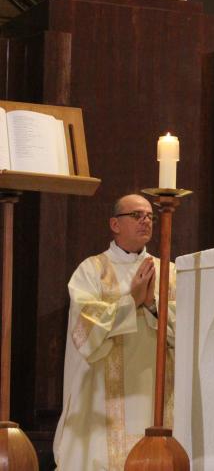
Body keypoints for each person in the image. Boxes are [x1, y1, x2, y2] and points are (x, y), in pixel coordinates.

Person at [53, 194, 176, 471]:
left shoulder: (169, 271)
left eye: (149, 216)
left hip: (155, 392)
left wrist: (153, 305)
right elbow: (84, 331)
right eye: (136, 215)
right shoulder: (91, 270)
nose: (145, 220)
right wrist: (130, 301)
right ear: (115, 224)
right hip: (102, 400)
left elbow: (188, 328)